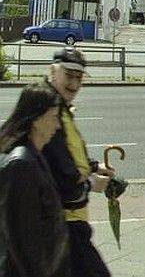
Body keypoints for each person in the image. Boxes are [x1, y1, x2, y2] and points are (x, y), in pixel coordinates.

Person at [41, 48, 114, 277]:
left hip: (67, 221)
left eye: (79, 77)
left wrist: (93, 166)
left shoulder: (60, 107)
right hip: (63, 221)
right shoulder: (48, 111)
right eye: (69, 75)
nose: (74, 84)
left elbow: (69, 151)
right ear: (53, 72)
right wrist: (91, 184)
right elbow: (61, 170)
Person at [0, 84, 70, 277]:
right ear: (38, 119)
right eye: (54, 117)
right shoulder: (21, 164)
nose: (57, 125)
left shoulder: (34, 156)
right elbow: (21, 240)